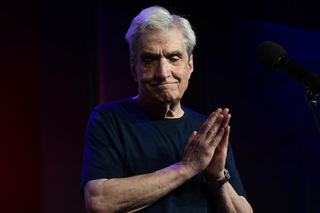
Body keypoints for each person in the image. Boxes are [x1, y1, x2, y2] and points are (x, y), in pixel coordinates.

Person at [80, 6, 253, 213]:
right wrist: (186, 168)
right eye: (150, 60)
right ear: (134, 69)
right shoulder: (110, 120)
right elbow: (99, 203)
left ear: (189, 66)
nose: (163, 73)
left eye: (173, 58)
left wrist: (217, 177)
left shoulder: (207, 131)